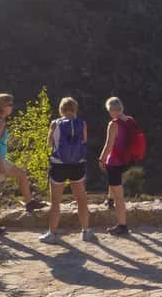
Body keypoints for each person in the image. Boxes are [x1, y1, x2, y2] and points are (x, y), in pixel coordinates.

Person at [0, 93, 46, 236]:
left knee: (21, 174)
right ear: (3, 106)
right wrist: (0, 165)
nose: (12, 107)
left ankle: (29, 202)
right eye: (9, 105)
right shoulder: (0, 122)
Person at [40, 97, 94, 243]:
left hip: (59, 165)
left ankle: (52, 233)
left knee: (55, 201)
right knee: (81, 199)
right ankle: (86, 231)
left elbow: (49, 143)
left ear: (61, 110)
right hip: (77, 165)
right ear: (75, 109)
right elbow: (84, 141)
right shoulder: (82, 124)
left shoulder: (55, 123)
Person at [98, 96, 135, 236]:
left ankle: (122, 225)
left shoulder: (113, 124)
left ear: (111, 110)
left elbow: (109, 145)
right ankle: (109, 199)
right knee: (114, 182)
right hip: (127, 160)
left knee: (120, 196)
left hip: (114, 162)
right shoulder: (130, 120)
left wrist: (101, 159)